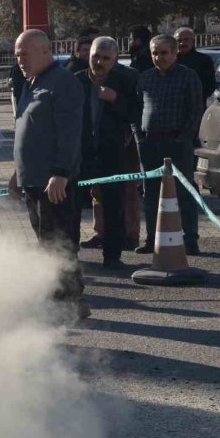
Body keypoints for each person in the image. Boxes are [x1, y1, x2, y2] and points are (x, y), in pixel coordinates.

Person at [8, 29, 88, 318]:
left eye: (24, 54)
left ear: (45, 51)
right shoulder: (33, 81)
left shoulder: (63, 82)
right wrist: (18, 172)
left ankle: (69, 302)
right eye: (17, 55)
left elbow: (70, 133)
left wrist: (61, 172)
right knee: (46, 241)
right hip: (33, 179)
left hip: (54, 180)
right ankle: (59, 298)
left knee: (60, 242)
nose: (20, 60)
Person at [74, 37, 140, 270]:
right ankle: (70, 255)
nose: (99, 62)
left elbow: (136, 113)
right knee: (73, 204)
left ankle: (112, 256)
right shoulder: (76, 81)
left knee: (113, 204)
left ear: (114, 60)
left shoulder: (125, 81)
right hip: (80, 153)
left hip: (111, 151)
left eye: (105, 58)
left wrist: (115, 99)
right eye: (95, 56)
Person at [134, 34, 203, 255]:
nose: (158, 57)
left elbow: (195, 110)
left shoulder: (188, 76)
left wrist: (183, 138)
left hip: (177, 143)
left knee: (183, 191)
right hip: (150, 142)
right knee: (151, 193)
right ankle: (152, 238)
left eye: (163, 52)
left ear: (175, 53)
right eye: (155, 52)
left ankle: (190, 239)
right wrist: (139, 137)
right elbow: (136, 111)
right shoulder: (145, 78)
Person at [174, 27, 217, 108]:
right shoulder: (171, 60)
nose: (182, 43)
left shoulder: (204, 60)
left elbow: (210, 85)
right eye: (179, 40)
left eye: (186, 40)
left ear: (193, 42)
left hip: (196, 106)